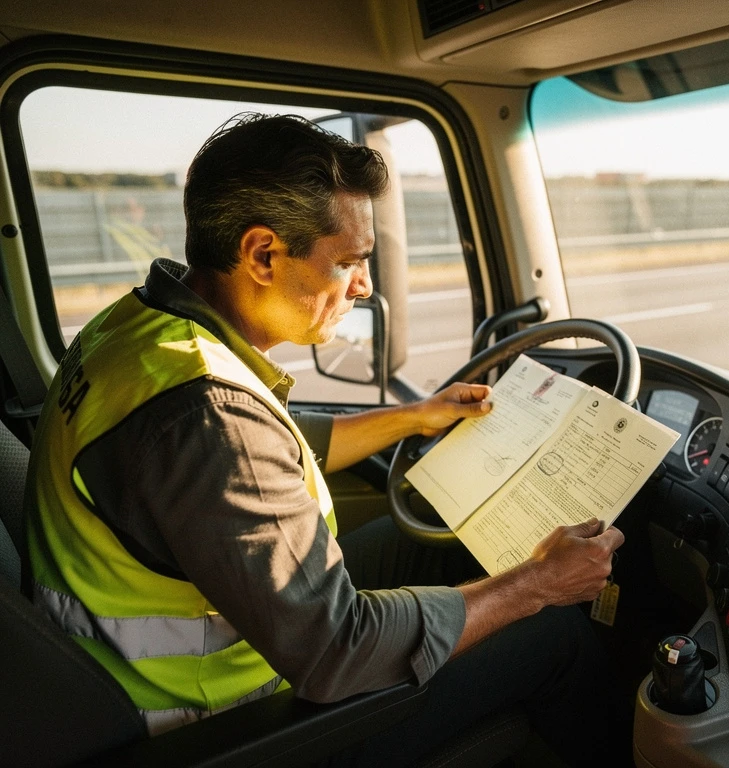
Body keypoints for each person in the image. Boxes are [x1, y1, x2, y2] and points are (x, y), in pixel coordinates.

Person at [24, 112, 625, 766]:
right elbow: (336, 652)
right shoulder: (205, 416)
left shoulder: (135, 331)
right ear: (262, 254)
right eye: (348, 261)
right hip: (235, 723)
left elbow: (267, 453)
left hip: (237, 634)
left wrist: (414, 416)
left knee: (430, 540)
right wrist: (538, 582)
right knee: (557, 634)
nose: (363, 286)